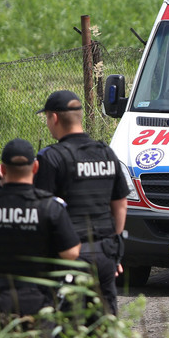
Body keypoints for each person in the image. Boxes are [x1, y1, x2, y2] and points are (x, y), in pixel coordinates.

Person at [0, 138, 80, 323]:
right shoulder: (50, 207)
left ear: (2, 169)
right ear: (35, 167)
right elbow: (71, 253)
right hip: (40, 303)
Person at [33, 90, 129, 317]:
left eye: (47, 118)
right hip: (105, 253)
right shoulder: (107, 153)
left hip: (70, 255)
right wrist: (114, 250)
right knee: (104, 321)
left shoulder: (51, 158)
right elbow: (121, 204)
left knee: (69, 325)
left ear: (54, 118)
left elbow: (42, 212)